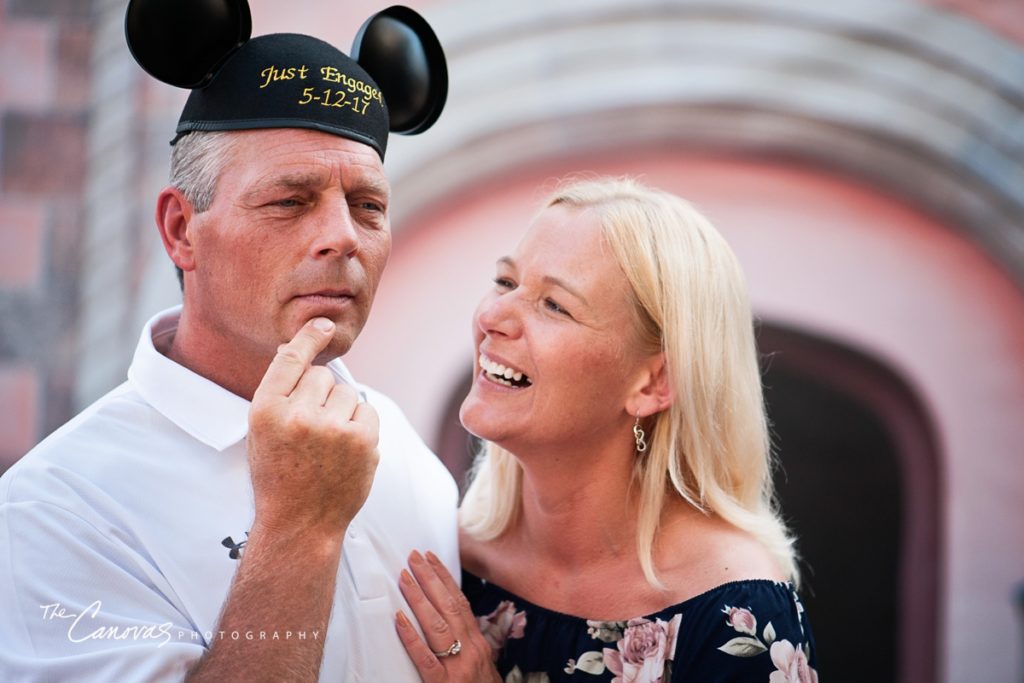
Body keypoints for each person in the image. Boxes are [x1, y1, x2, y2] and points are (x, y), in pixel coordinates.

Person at [0, 3, 457, 681]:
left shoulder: (407, 450)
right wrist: (299, 527)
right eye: (289, 201)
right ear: (183, 230)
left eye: (369, 206)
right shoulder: (57, 510)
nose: (345, 237)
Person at [393, 177, 819, 682]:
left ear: (653, 382)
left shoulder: (739, 614)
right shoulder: (441, 562)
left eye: (554, 305)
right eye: (506, 282)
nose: (492, 316)